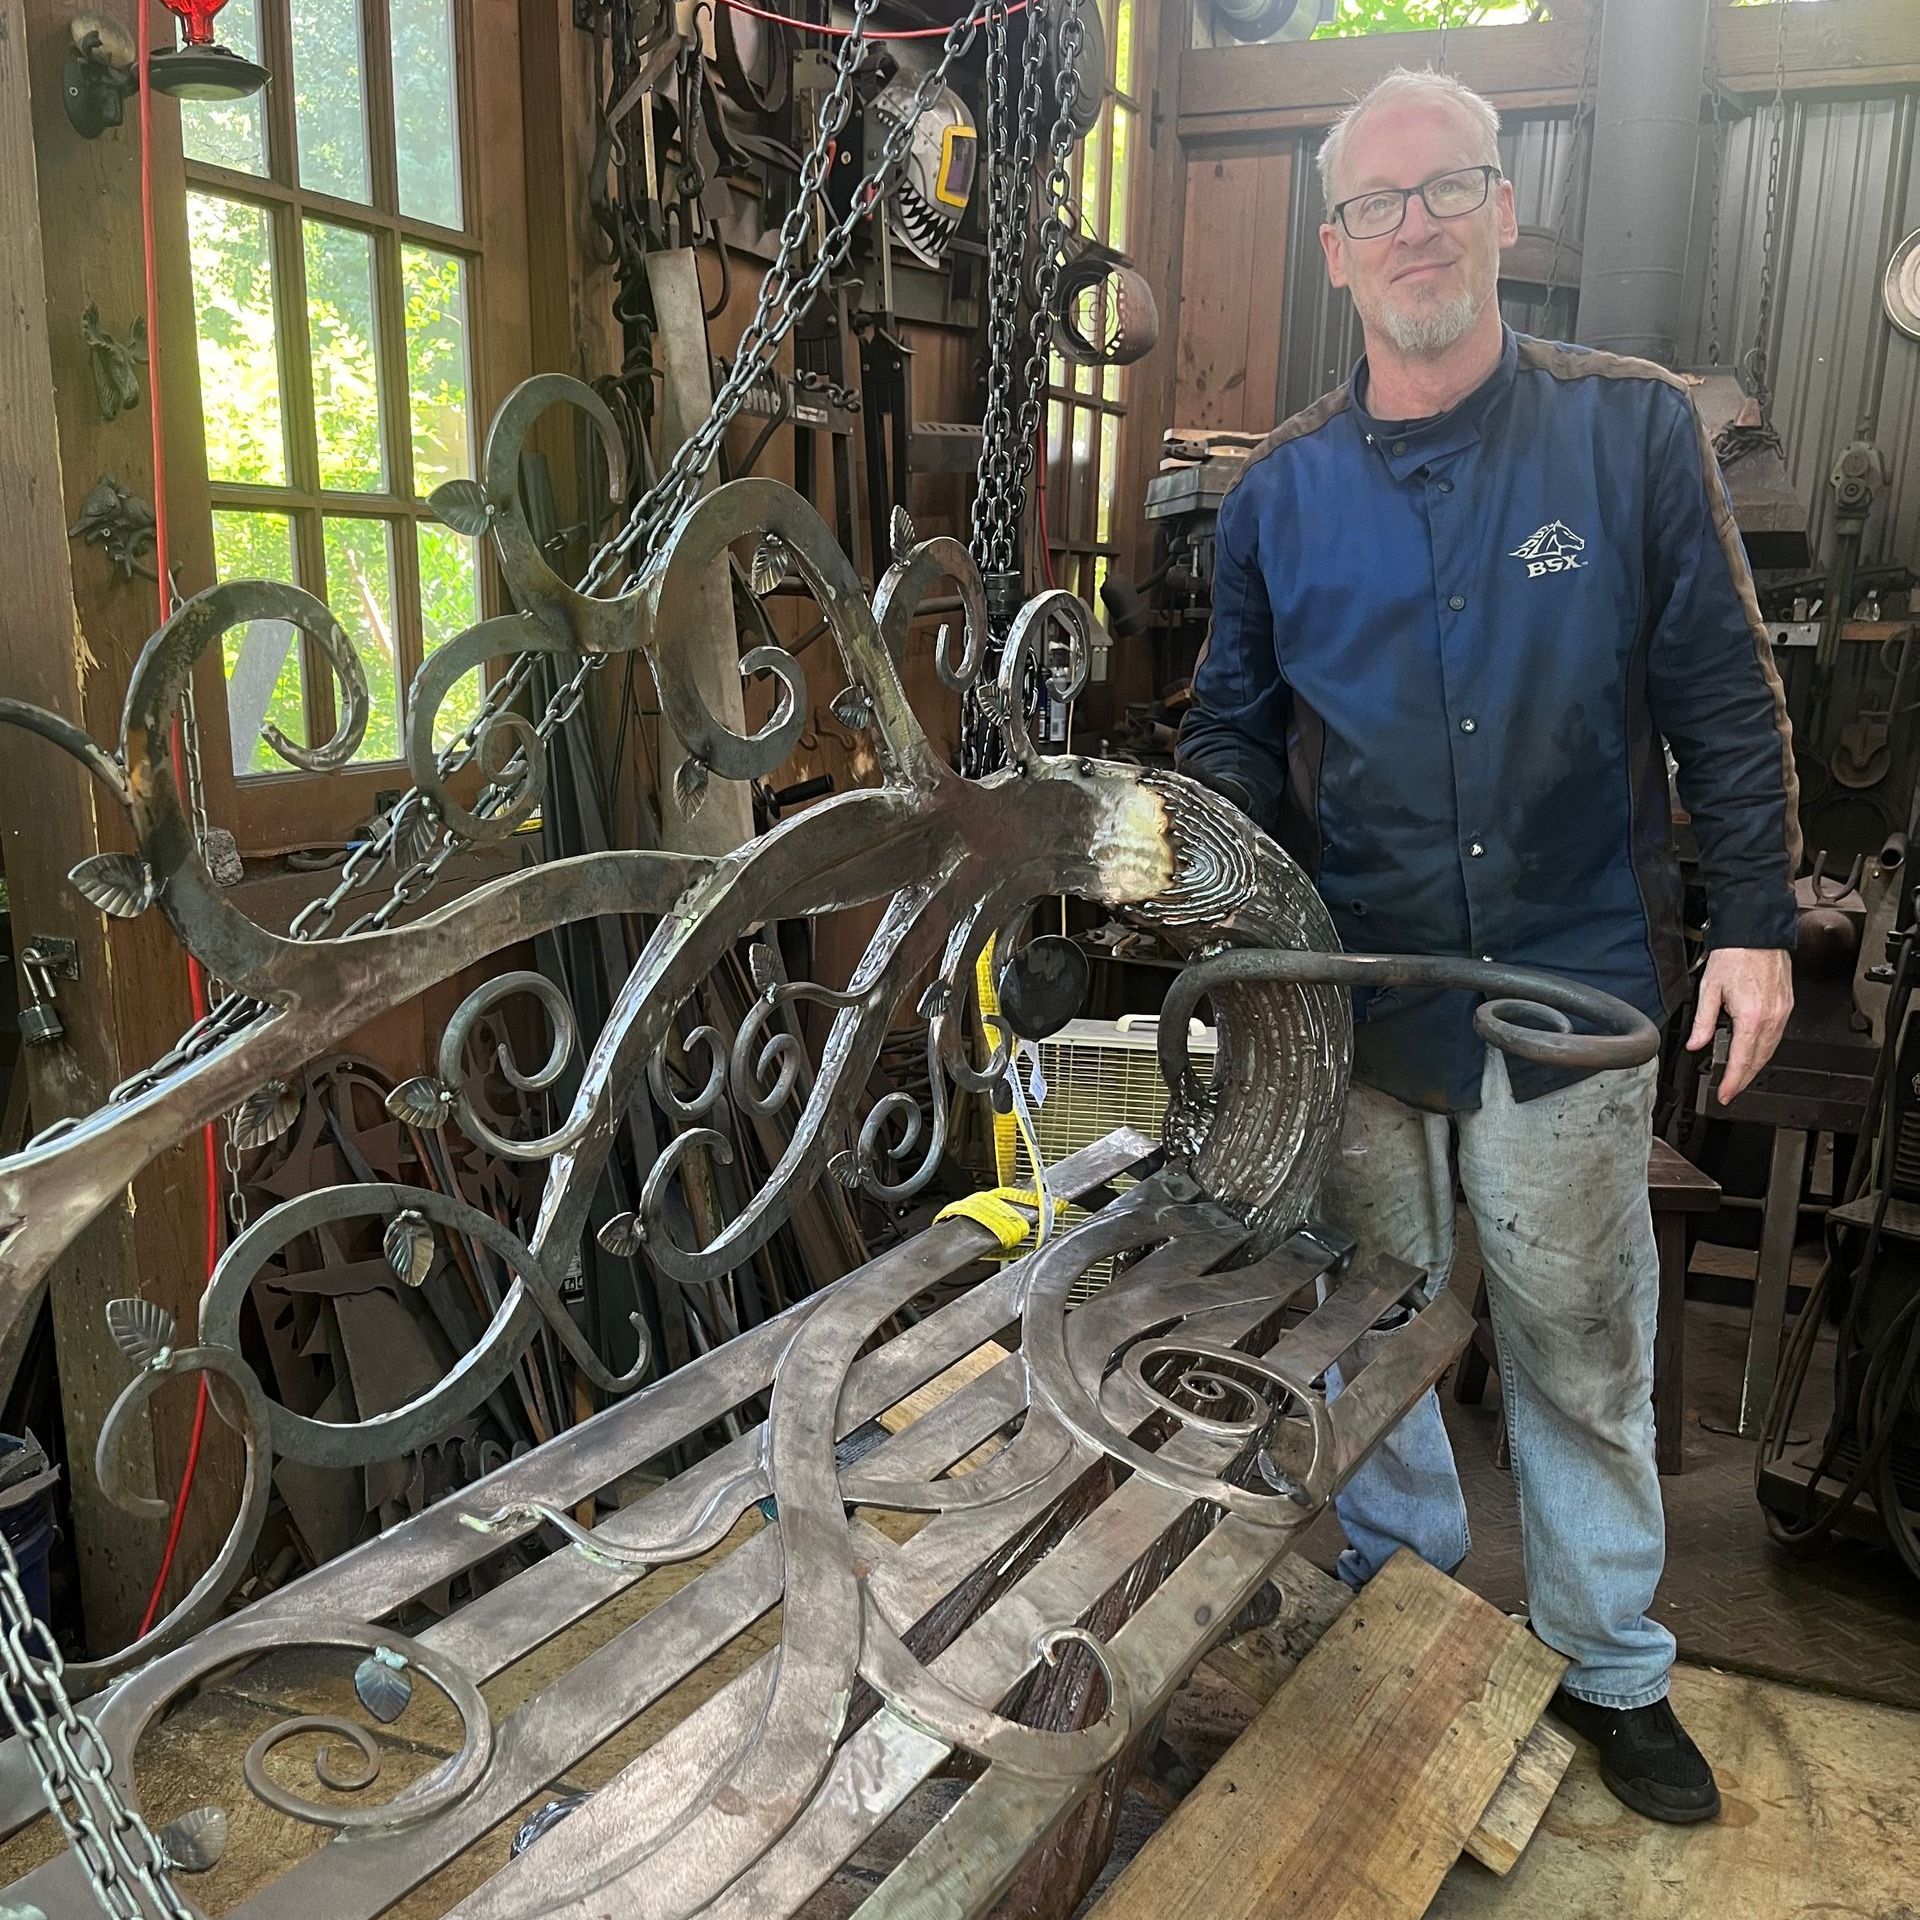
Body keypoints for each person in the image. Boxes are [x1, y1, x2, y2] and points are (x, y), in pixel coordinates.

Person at [1176, 66, 1798, 1825]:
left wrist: (1754, 923)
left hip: (1570, 984)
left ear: (1504, 212)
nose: (1419, 227)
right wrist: (1236, 902)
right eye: (1381, 205)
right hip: (1359, 1005)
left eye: (1449, 188)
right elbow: (1230, 730)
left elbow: (1725, 701)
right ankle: (1414, 1632)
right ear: (1336, 251)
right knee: (1377, 1342)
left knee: (1580, 1345)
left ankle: (1611, 1665)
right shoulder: (1278, 498)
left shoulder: (1629, 433)